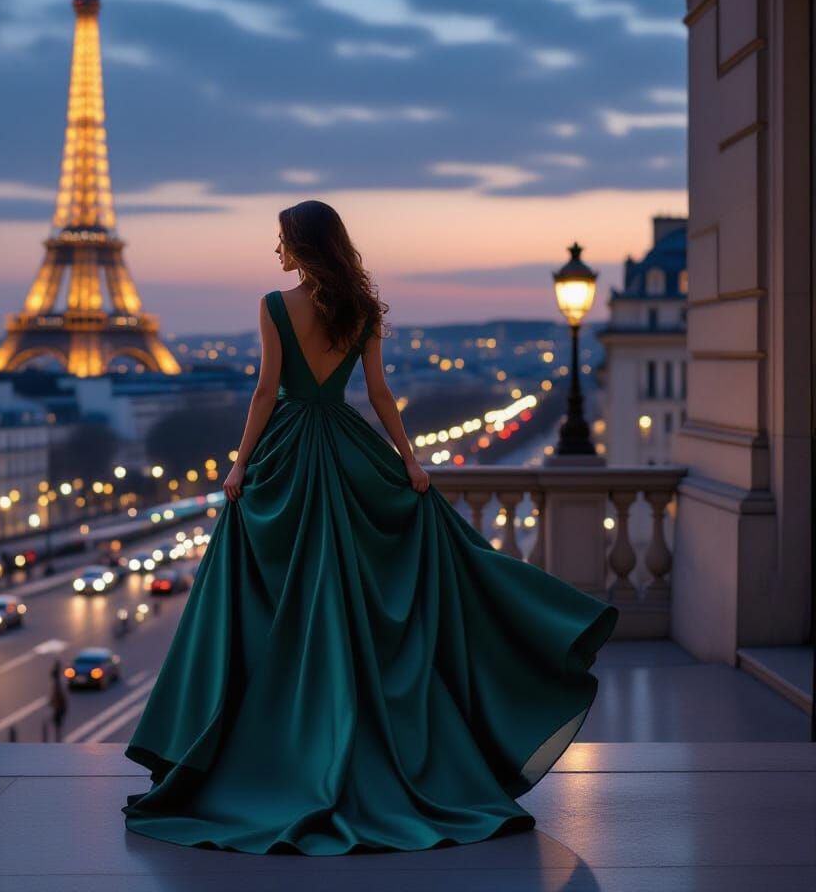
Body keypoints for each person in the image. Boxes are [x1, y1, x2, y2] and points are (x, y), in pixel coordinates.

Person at [122, 200, 618, 855]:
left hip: (289, 458)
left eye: (282, 242)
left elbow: (267, 393)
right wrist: (410, 462)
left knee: (275, 604)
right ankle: (377, 737)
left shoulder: (275, 306)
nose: (277, 253)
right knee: (360, 608)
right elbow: (380, 394)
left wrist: (240, 464)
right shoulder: (363, 311)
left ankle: (270, 744)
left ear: (301, 245)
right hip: (352, 454)